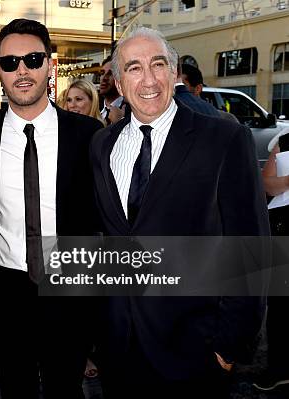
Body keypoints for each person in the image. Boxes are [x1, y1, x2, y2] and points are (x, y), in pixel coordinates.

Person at [89, 27, 269, 398]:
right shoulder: (102, 144)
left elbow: (250, 247)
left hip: (195, 352)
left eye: (159, 64)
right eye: (134, 68)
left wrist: (229, 345)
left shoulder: (223, 139)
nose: (149, 79)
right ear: (120, 84)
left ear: (175, 73)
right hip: (118, 347)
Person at [0, 18, 104, 398]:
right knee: (15, 388)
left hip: (70, 288)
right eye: (10, 63)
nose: (22, 70)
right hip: (6, 291)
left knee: (66, 388)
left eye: (32, 59)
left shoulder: (88, 136)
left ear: (50, 65)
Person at [254, 128, 289, 392]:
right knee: (281, 304)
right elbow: (267, 184)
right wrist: (288, 180)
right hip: (284, 229)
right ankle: (280, 369)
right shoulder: (286, 140)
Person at [99, 56, 125, 125]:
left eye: (110, 73)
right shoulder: (94, 107)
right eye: (102, 73)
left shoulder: (131, 110)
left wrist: (120, 122)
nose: (104, 78)